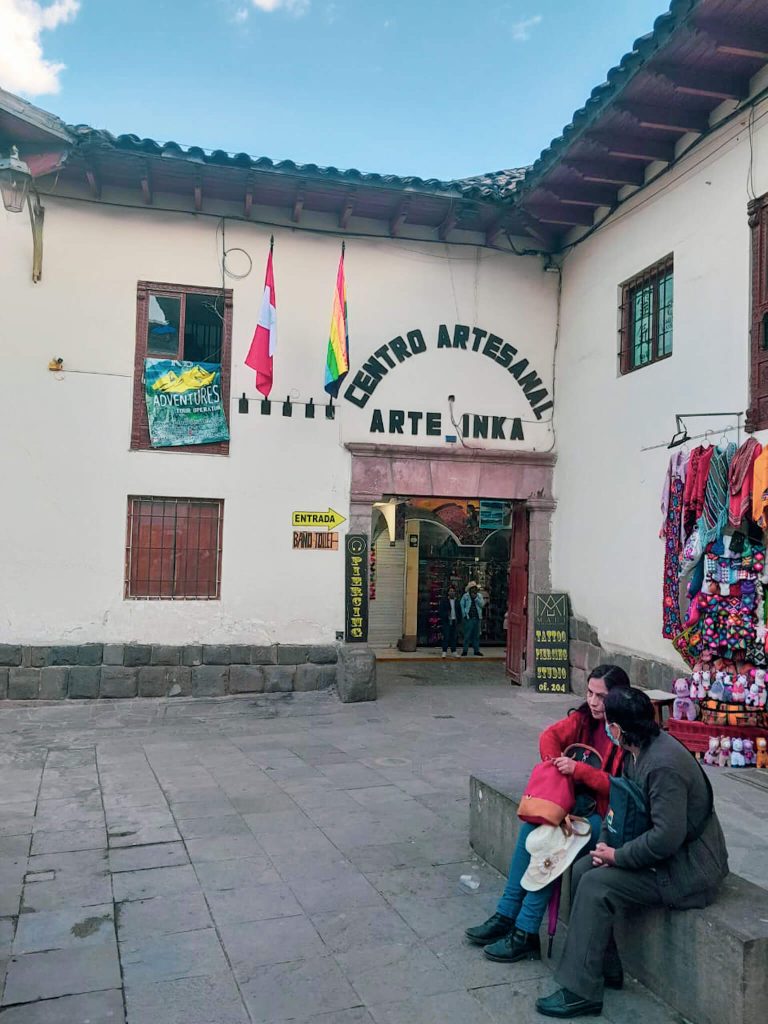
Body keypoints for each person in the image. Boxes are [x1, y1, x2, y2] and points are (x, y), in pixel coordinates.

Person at [536, 686, 729, 1019]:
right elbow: (624, 804)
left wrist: (617, 857)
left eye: (609, 722)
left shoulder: (662, 765)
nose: (606, 727)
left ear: (619, 728)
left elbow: (667, 838)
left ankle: (582, 991)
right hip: (664, 857)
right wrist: (606, 847)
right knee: (583, 869)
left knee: (598, 885)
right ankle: (602, 968)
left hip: (686, 869)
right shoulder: (636, 749)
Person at [465, 665, 630, 961]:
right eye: (590, 693)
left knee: (553, 840)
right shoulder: (582, 720)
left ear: (617, 697)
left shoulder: (624, 733)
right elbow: (549, 736)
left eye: (601, 696)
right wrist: (557, 766)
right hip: (573, 806)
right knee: (532, 828)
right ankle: (507, 913)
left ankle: (526, 930)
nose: (593, 702)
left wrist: (579, 771)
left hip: (604, 817)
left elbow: (622, 789)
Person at [460, 581, 485, 656]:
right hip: (469, 618)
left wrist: (476, 598)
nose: (474, 590)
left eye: (475, 588)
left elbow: (482, 605)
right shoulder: (465, 596)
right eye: (472, 588)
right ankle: (465, 650)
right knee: (467, 635)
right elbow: (462, 605)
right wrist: (464, 614)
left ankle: (476, 650)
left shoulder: (479, 596)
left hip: (477, 618)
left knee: (476, 635)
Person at [438, 584, 462, 657]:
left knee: (454, 637)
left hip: (455, 621)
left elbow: (459, 611)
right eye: (450, 591)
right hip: (447, 621)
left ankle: (454, 651)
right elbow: (441, 611)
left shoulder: (457, 601)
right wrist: (446, 616)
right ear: (448, 592)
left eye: (453, 591)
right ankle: (444, 651)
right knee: (446, 636)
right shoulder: (444, 601)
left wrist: (459, 619)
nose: (452, 592)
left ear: (455, 592)